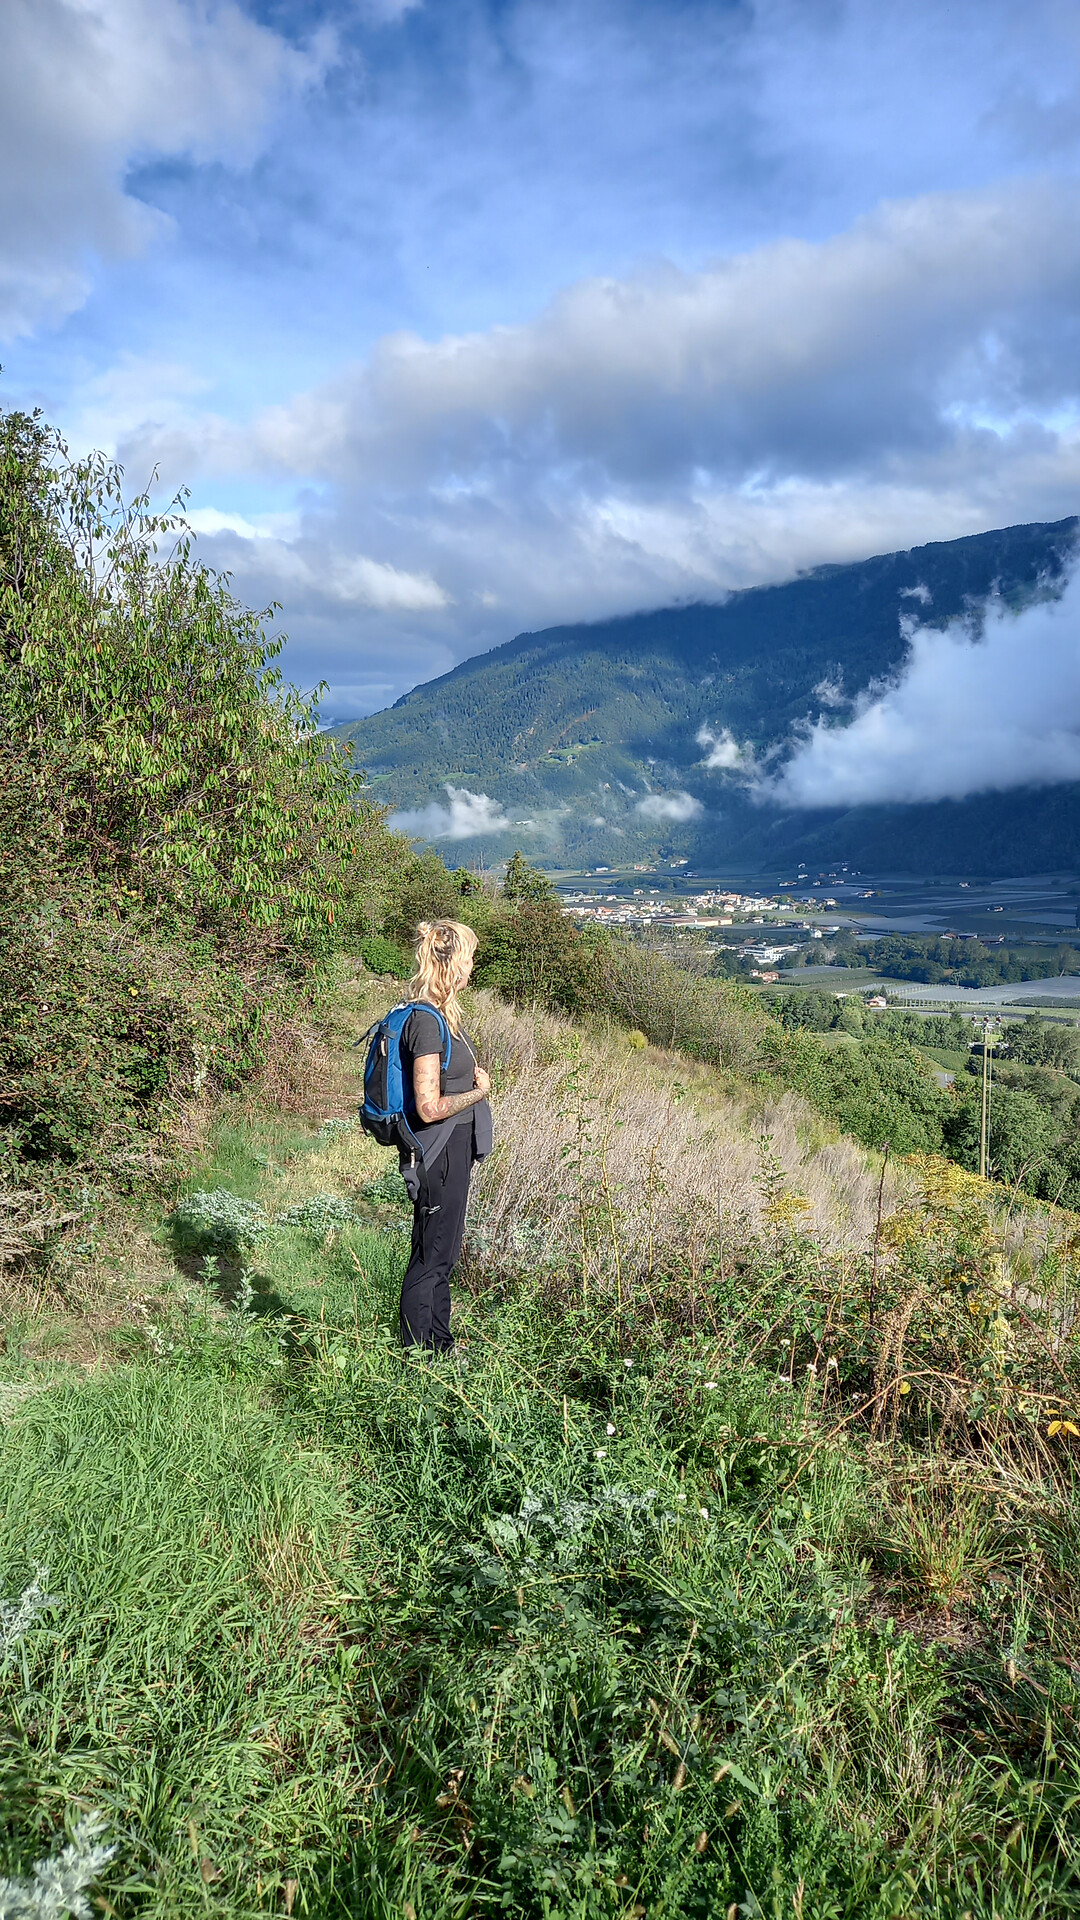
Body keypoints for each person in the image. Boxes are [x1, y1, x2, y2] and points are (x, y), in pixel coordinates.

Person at [398, 919, 491, 1354]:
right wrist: (478, 1093)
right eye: (468, 958)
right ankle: (419, 1356)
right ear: (450, 963)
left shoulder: (441, 1017)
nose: (472, 967)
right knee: (430, 1256)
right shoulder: (427, 1023)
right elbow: (429, 1107)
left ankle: (441, 1343)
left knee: (444, 1253)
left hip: (451, 1152)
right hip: (439, 1153)